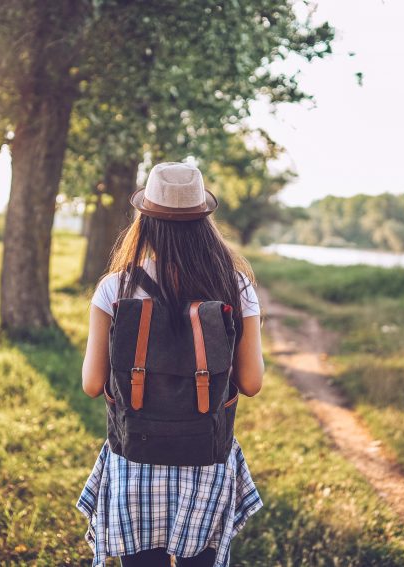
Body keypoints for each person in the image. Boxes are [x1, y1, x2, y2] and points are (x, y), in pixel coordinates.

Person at [76, 162, 265, 567]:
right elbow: (250, 382)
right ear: (204, 221)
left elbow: (92, 384)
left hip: (134, 459)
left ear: (144, 220)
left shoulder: (116, 287)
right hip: (207, 459)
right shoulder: (237, 286)